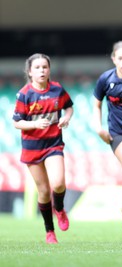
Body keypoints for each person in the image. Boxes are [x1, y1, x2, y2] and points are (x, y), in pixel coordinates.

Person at [12, 53, 73, 244]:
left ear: (49, 70)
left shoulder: (57, 89)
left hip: (53, 144)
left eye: (45, 67)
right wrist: (34, 125)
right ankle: (49, 232)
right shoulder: (25, 94)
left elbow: (69, 106)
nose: (42, 70)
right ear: (30, 72)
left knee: (59, 184)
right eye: (37, 67)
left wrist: (66, 117)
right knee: (44, 191)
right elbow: (16, 123)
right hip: (32, 148)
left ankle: (60, 209)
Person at [93, 41, 122, 238]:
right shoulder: (105, 79)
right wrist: (98, 128)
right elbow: (96, 104)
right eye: (120, 58)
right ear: (113, 59)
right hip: (118, 134)